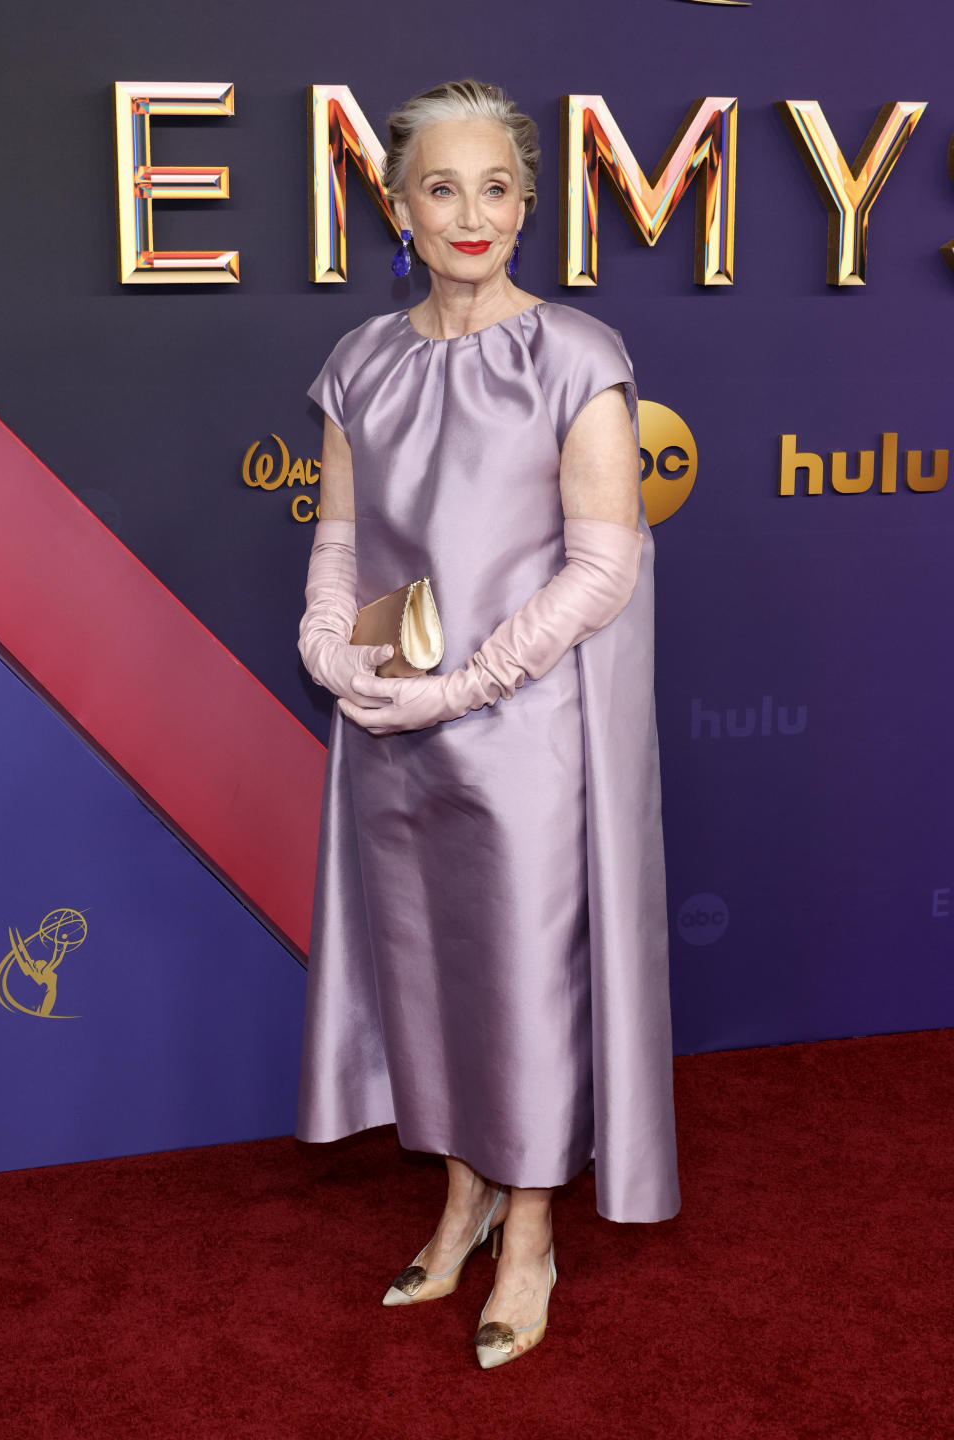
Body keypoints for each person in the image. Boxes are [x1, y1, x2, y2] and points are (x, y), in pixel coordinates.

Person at [296, 78, 680, 1370]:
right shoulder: (361, 361)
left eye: (499, 188)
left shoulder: (575, 356)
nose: (475, 215)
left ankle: (530, 1232)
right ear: (396, 207)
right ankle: (458, 1196)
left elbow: (601, 567)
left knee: (521, 988)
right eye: (444, 189)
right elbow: (345, 540)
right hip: (390, 729)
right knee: (426, 976)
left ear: (529, 203)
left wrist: (464, 688)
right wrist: (323, 640)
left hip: (524, 738)